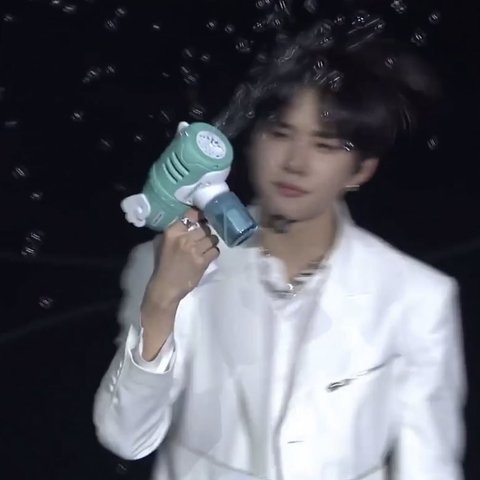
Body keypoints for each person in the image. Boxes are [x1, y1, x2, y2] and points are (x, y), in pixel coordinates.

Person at [93, 19, 467, 480]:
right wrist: (162, 302)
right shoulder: (164, 265)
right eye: (280, 133)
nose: (295, 163)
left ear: (361, 169)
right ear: (251, 141)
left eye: (325, 145)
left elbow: (429, 464)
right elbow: (126, 437)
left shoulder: (417, 299)